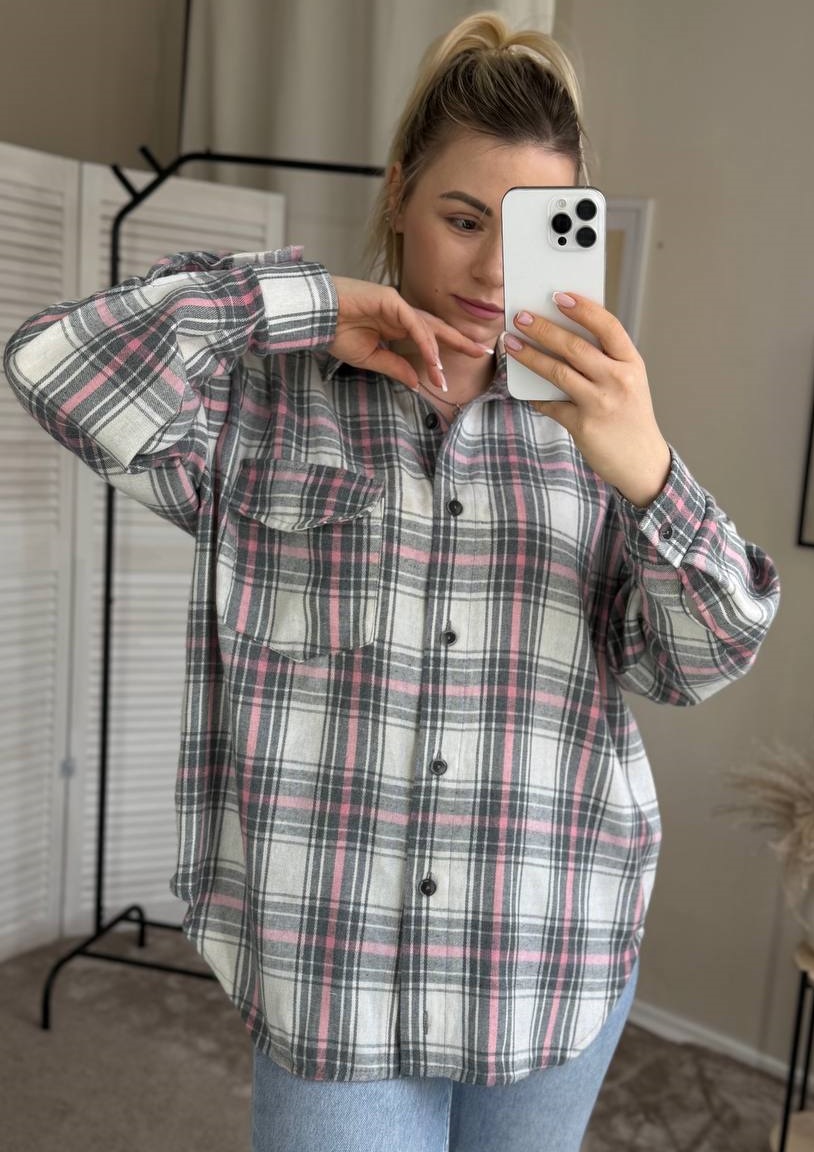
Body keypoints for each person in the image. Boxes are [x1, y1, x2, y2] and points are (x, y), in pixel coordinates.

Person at [4, 11, 780, 1152]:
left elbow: (703, 658)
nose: (494, 270)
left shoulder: (600, 435)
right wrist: (313, 305)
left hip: (548, 952)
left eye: (531, 230)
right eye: (464, 219)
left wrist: (651, 470)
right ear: (400, 195)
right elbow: (51, 362)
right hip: (333, 972)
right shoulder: (263, 403)